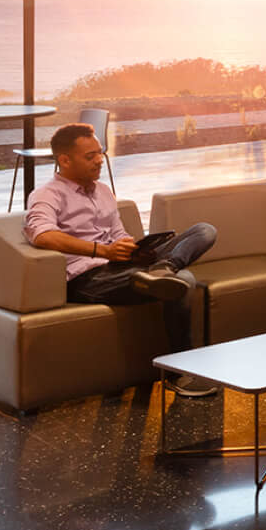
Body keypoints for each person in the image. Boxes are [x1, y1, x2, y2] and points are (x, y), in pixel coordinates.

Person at [23, 123, 218, 397]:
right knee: (184, 280)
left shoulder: (103, 190)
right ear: (64, 160)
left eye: (99, 153)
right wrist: (102, 251)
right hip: (88, 279)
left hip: (124, 267)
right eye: (89, 156)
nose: (99, 160)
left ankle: (163, 268)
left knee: (204, 231)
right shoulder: (46, 195)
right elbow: (42, 236)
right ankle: (179, 374)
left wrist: (132, 248)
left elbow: (117, 233)